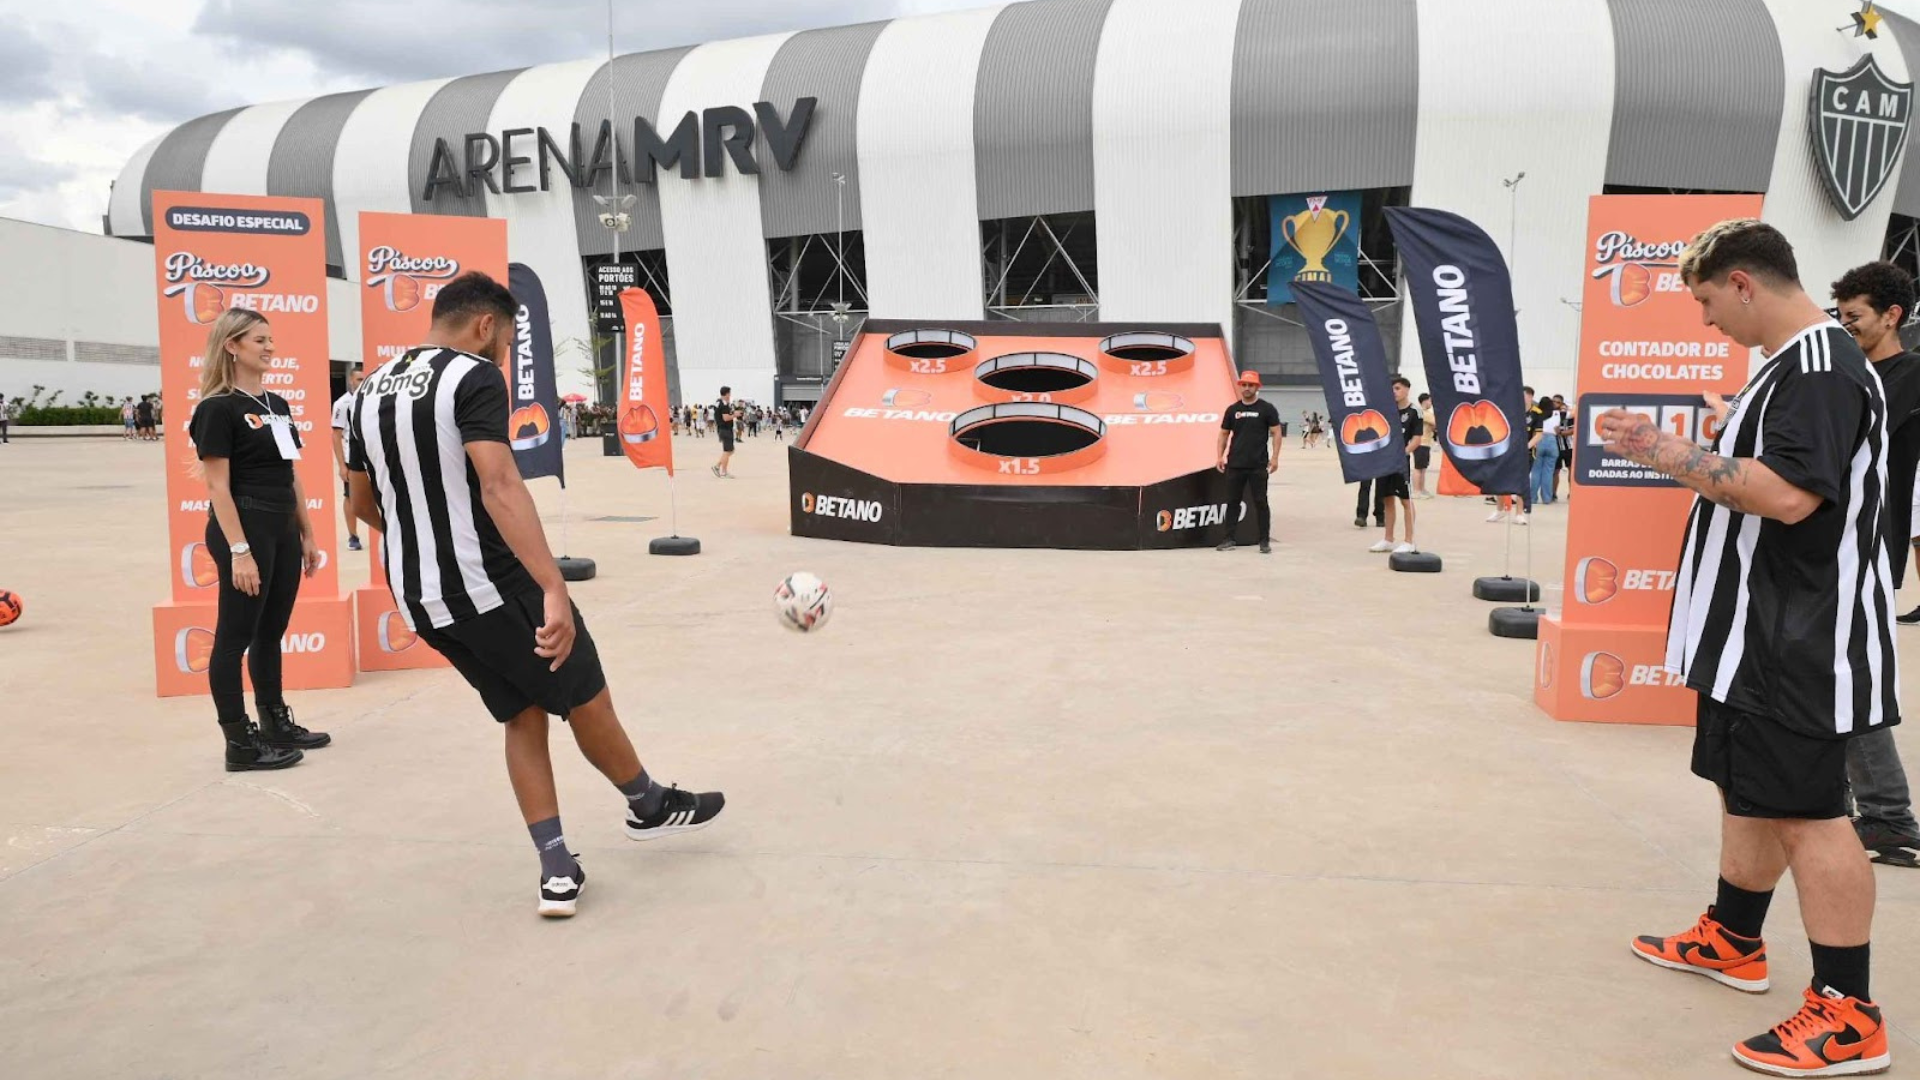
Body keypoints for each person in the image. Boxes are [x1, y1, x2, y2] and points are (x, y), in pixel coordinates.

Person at [1605, 219, 1897, 1076]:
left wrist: (1660, 448)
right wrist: (1728, 430)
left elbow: (1790, 496)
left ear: (1742, 283)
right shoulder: (1788, 370)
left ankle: (1850, 1011)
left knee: (1812, 814)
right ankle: (1734, 936)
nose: (1704, 323)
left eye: (1704, 302)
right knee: (1752, 789)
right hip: (1752, 633)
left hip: (1795, 636)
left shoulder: (1817, 366)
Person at [345, 272, 724, 919]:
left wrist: (428, 533)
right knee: (584, 693)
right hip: (493, 584)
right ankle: (648, 804)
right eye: (506, 341)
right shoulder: (472, 376)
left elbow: (359, 505)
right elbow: (499, 483)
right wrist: (551, 583)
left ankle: (556, 868)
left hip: (422, 600)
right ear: (485, 326)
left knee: (521, 711)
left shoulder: (363, 393)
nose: (503, 356)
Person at [188, 309, 331, 771]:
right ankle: (240, 744)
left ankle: (274, 722)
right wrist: (239, 552)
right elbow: (217, 488)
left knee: (271, 632)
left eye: (270, 339)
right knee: (234, 638)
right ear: (232, 346)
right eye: (258, 340)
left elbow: (291, 474)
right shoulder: (216, 408)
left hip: (282, 529)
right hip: (244, 529)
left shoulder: (278, 404)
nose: (269, 347)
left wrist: (306, 533)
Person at [1831, 260, 1920, 866]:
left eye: (1855, 316)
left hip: (1869, 549)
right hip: (1832, 543)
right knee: (1824, 677)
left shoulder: (1911, 374)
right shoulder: (1848, 371)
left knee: (1845, 678)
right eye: (1839, 317)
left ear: (1892, 315)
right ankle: (1836, 807)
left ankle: (1888, 816)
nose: (1846, 326)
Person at [1214, 371, 1280, 554]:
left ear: (1257, 387)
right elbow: (1223, 434)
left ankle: (1264, 541)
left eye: (1251, 385)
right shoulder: (1232, 410)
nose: (1247, 388)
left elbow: (1276, 432)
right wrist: (1219, 456)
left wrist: (1275, 458)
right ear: (1240, 386)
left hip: (1258, 465)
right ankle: (1229, 539)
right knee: (1232, 502)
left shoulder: (1267, 409)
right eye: (1244, 385)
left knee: (1261, 502)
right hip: (1235, 464)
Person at [1367, 377, 1422, 554]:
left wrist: (1404, 453)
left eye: (1397, 388)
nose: (1394, 392)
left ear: (1407, 389)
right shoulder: (1387, 411)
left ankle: (1409, 540)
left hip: (1400, 463)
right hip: (1384, 461)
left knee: (1406, 500)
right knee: (1387, 499)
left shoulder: (1415, 412)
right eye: (1392, 389)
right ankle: (1388, 539)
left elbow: (1417, 439)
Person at [330, 367, 366, 552]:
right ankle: (353, 535)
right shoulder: (342, 403)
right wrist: (342, 465)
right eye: (359, 379)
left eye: (364, 379)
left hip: (371, 458)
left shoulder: (371, 398)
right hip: (352, 459)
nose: (362, 382)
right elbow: (336, 435)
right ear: (351, 380)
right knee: (351, 497)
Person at [1528, 391, 1562, 506]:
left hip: (1539, 440)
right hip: (1552, 442)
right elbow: (1573, 413)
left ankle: (1532, 498)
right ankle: (1547, 498)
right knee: (1548, 472)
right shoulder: (1557, 414)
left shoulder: (1537, 414)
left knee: (1536, 471)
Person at [1412, 392, 1435, 498]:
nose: (1431, 403)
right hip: (1420, 443)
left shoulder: (1426, 413)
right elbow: (1436, 422)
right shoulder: (1423, 413)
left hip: (1426, 443)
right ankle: (1416, 491)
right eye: (1430, 400)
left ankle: (1422, 489)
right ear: (1425, 401)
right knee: (1418, 467)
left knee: (1423, 468)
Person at [712, 387, 737, 477]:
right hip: (725, 429)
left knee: (731, 450)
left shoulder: (718, 402)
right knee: (727, 451)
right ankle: (723, 472)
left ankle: (717, 466)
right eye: (729, 393)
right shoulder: (724, 404)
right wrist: (735, 415)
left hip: (722, 429)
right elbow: (725, 418)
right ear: (726, 394)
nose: (730, 395)